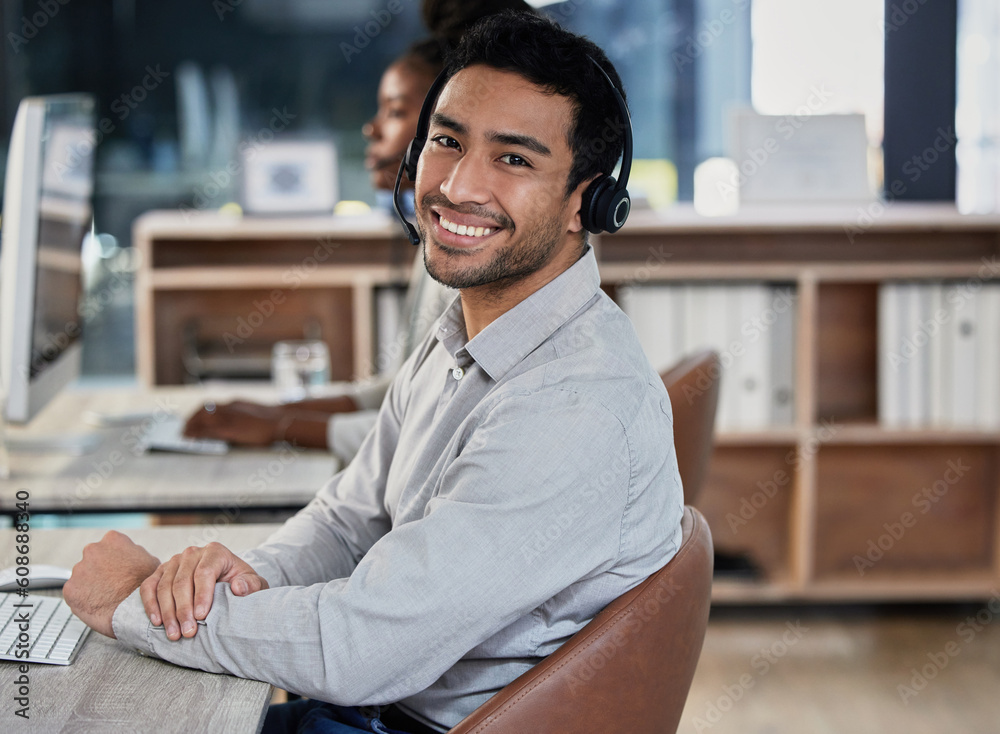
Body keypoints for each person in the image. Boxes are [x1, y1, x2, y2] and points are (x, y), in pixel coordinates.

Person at [64, 12, 684, 734]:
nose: (455, 185)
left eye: (513, 160)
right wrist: (233, 579)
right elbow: (348, 519)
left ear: (589, 200)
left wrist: (135, 604)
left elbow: (362, 648)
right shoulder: (465, 330)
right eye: (447, 141)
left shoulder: (575, 407)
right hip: (370, 708)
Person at [183, 1, 537, 464]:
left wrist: (279, 426)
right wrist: (277, 412)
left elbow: (431, 426)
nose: (371, 127)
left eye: (393, 111)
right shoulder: (439, 236)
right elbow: (406, 392)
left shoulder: (481, 254)